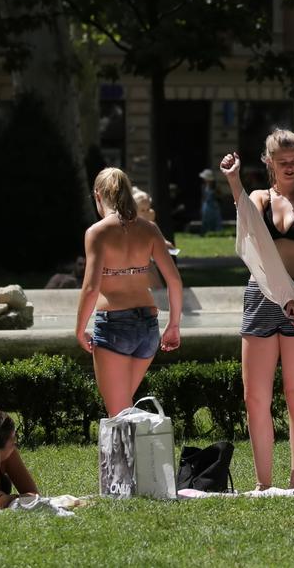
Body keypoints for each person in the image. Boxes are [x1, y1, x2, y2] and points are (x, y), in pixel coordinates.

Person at [220, 128, 294, 489]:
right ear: (268, 162)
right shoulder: (259, 198)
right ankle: (263, 483)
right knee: (255, 397)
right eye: (282, 162)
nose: (290, 168)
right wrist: (233, 180)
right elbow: (247, 229)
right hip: (262, 298)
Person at [75, 167, 183, 416]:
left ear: (98, 195)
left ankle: (122, 456)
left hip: (115, 326)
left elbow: (91, 288)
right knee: (123, 407)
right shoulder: (150, 229)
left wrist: (80, 330)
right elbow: (175, 281)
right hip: (148, 326)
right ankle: (138, 453)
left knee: (118, 415)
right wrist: (174, 325)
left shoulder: (97, 232)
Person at [199, 168, 223, 234]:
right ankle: (206, 232)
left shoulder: (215, 187)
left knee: (215, 220)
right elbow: (203, 197)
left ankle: (216, 233)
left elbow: (220, 196)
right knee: (206, 220)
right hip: (206, 206)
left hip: (214, 206)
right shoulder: (203, 187)